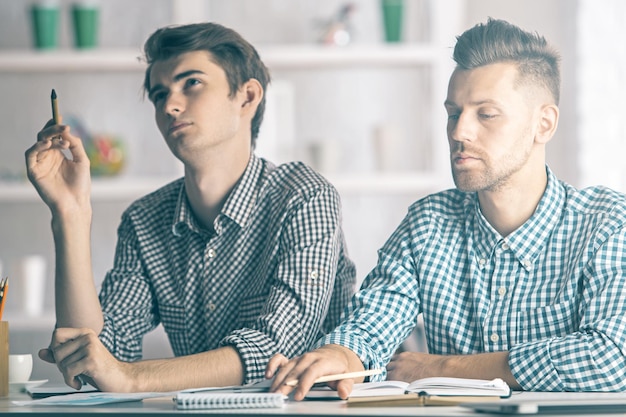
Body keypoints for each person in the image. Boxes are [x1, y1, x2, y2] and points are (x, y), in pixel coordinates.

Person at [267, 17, 626, 400]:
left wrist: (444, 367)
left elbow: (613, 357)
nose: (459, 132)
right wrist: (338, 354)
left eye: (485, 114)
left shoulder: (606, 225)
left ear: (544, 124)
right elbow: (373, 322)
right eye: (453, 113)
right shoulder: (428, 223)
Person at [24, 22, 356, 393]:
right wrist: (71, 213)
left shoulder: (304, 197)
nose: (170, 105)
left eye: (192, 83)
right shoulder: (144, 219)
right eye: (159, 94)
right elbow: (95, 358)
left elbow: (277, 347)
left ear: (247, 97)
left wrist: (131, 376)